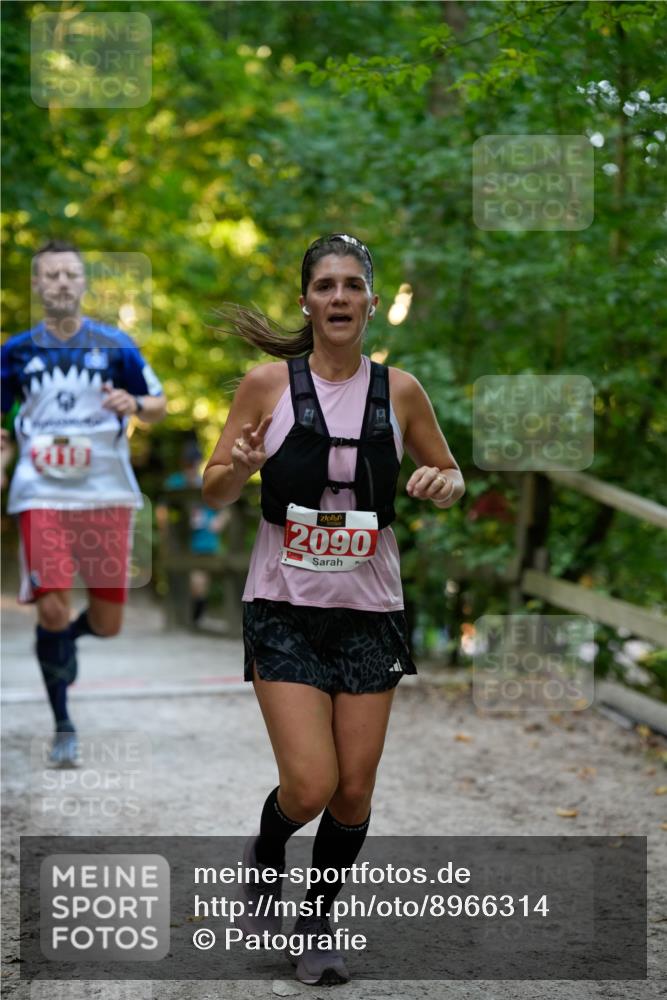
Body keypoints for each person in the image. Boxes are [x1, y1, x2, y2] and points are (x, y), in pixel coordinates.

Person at [203, 233, 465, 986]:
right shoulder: (265, 386)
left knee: (353, 789)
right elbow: (215, 485)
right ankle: (264, 848)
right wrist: (241, 468)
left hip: (369, 608)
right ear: (306, 302)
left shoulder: (402, 390)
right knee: (311, 783)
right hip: (282, 604)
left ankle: (316, 920)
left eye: (353, 285)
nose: (339, 297)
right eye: (325, 286)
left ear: (372, 302)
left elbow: (444, 470)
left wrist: (441, 485)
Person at [0, 239, 166, 765]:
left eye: (71, 275)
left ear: (84, 281)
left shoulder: (116, 346)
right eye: (51, 276)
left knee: (108, 622)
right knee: (51, 605)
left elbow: (160, 406)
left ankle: (58, 642)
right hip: (41, 491)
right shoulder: (16, 353)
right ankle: (63, 724)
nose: (62, 283)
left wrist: (134, 402)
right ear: (37, 285)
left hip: (106, 493)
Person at [157, 439, 229, 626]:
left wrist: (219, 521)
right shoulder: (174, 482)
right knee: (186, 581)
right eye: (189, 463)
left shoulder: (205, 481)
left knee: (200, 583)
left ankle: (195, 618)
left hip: (205, 540)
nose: (191, 466)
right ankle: (186, 618)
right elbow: (162, 510)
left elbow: (226, 508)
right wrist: (167, 531)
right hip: (182, 541)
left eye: (194, 463)